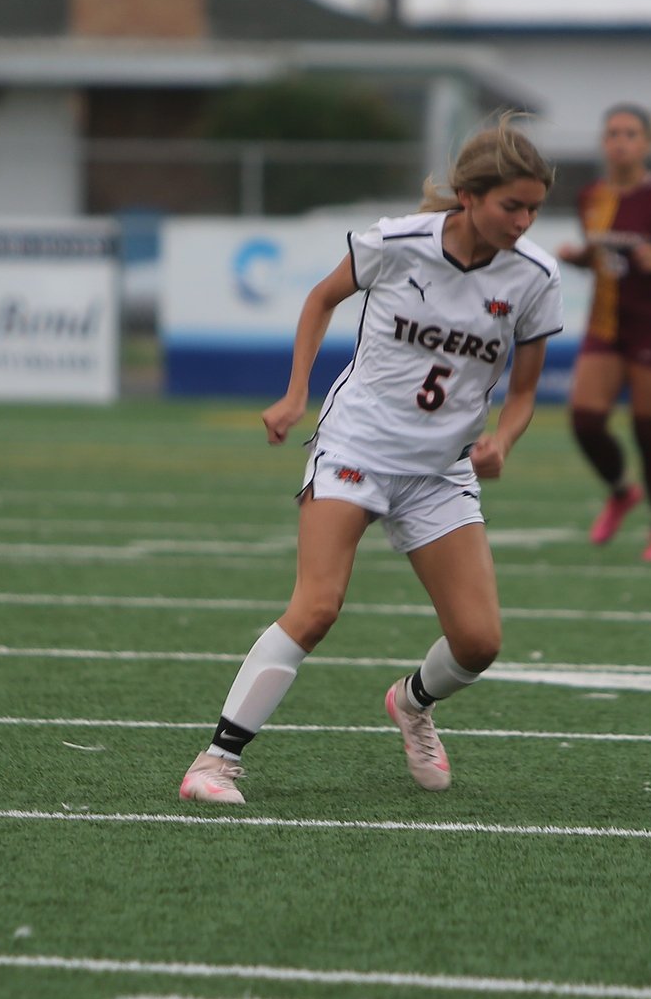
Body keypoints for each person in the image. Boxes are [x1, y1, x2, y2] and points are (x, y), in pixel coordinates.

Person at [178, 117, 564, 804]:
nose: (524, 221)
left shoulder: (534, 276)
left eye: (534, 209)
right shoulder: (397, 243)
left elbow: (526, 390)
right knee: (317, 605)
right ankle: (214, 761)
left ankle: (412, 703)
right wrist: (295, 392)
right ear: (469, 196)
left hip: (439, 469)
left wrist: (503, 440)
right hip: (356, 446)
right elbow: (320, 299)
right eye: (513, 206)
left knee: (478, 642)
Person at [557, 103, 651, 563]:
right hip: (604, 325)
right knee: (585, 422)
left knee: (648, 430)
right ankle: (622, 492)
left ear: (647, 143)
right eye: (612, 133)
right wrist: (578, 258)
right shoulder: (591, 196)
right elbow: (601, 258)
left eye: (630, 134)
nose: (620, 142)